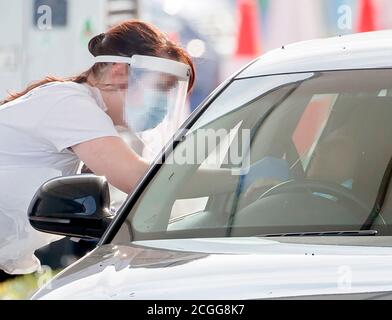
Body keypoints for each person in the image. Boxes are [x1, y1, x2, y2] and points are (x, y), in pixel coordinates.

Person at [0, 20, 195, 275]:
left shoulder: (77, 106)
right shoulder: (70, 104)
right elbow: (141, 180)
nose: (165, 103)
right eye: (160, 88)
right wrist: (241, 181)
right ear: (118, 72)